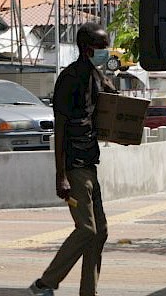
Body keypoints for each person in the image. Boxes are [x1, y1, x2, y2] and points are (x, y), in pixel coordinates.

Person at [30, 22, 117, 296]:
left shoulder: (95, 75)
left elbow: (107, 108)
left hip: (90, 163)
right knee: (87, 229)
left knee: (100, 232)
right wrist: (61, 174)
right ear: (88, 48)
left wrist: (108, 86)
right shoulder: (69, 79)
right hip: (74, 167)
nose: (107, 52)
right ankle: (44, 284)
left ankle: (88, 292)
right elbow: (61, 127)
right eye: (103, 47)